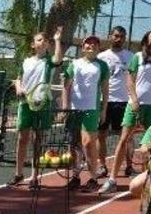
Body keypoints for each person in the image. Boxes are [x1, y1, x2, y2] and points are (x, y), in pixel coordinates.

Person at [100, 30, 151, 194]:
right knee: (124, 140)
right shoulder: (137, 56)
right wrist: (134, 99)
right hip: (136, 104)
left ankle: (150, 178)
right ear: (146, 39)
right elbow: (129, 80)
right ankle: (112, 179)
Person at [8, 26, 64, 188]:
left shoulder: (49, 61)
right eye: (39, 39)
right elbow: (18, 78)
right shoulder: (26, 61)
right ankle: (18, 174)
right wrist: (18, 87)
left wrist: (57, 40)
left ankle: (34, 177)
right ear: (33, 44)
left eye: (46, 40)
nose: (43, 42)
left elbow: (58, 59)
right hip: (25, 104)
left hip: (42, 104)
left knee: (38, 140)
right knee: (22, 139)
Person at [62, 34, 110, 192]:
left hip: (91, 109)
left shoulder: (102, 66)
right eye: (88, 44)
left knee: (89, 143)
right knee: (74, 145)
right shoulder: (74, 64)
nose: (91, 46)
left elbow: (104, 89)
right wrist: (65, 107)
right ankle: (75, 177)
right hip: (74, 110)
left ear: (98, 48)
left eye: (95, 44)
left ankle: (93, 179)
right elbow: (66, 87)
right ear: (83, 48)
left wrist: (103, 110)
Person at [96, 26, 134, 179]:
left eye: (122, 36)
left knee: (126, 137)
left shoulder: (131, 56)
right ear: (110, 36)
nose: (119, 39)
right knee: (101, 135)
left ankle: (129, 166)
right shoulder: (101, 57)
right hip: (104, 101)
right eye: (116, 36)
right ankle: (102, 166)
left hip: (124, 101)